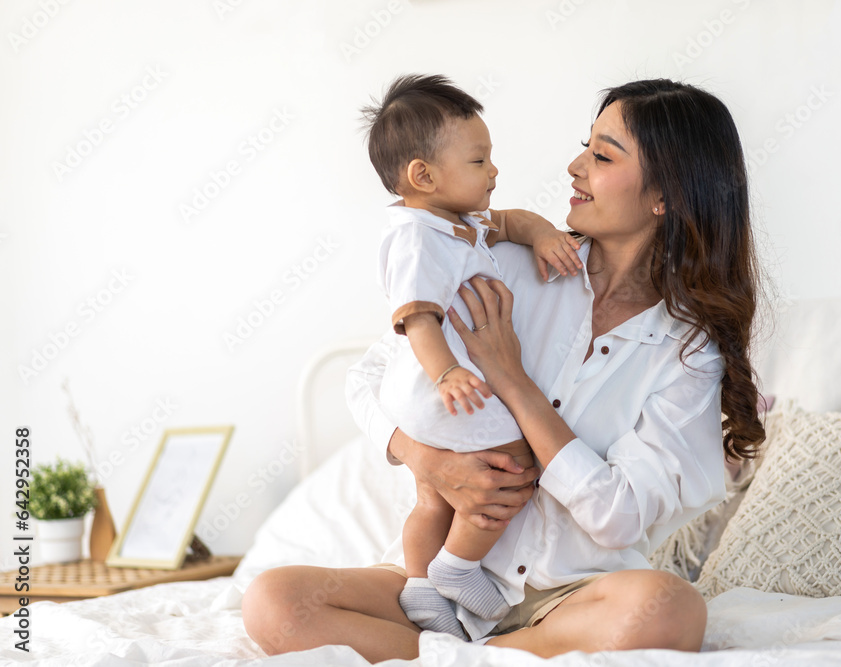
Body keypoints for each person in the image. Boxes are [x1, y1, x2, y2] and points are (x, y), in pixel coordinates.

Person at [242, 78, 766, 662]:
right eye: (583, 146)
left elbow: (618, 517)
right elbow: (365, 381)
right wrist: (429, 461)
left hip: (571, 596)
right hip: (440, 589)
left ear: (664, 195)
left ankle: (462, 653)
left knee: (670, 610)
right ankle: (483, 651)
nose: (574, 167)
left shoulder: (689, 350)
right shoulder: (502, 266)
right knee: (273, 602)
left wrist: (510, 377)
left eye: (601, 155)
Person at [360, 74, 584, 638]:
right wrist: (450, 371)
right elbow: (417, 317)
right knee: (516, 462)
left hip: (429, 397)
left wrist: (540, 233)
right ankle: (457, 566)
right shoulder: (414, 237)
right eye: (480, 160)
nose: (494, 172)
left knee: (432, 498)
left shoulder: (456, 222)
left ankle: (419, 588)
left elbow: (509, 220)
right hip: (437, 389)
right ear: (423, 175)